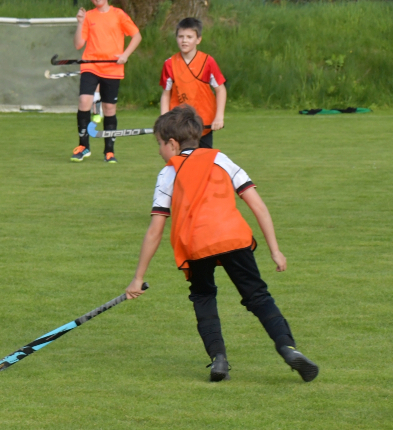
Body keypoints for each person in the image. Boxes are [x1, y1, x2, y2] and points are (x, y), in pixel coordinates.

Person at [124, 105, 318, 383]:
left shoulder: (168, 173)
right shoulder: (221, 159)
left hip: (196, 244)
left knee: (203, 296)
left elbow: (155, 230)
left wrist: (138, 277)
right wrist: (275, 250)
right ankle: (287, 347)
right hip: (234, 237)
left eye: (159, 144)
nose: (159, 151)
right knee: (258, 296)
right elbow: (258, 206)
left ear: (172, 144)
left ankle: (219, 359)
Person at [71, 0, 141, 164]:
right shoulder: (88, 16)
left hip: (112, 69)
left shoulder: (119, 15)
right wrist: (80, 23)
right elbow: (78, 44)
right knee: (84, 101)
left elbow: (137, 36)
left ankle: (109, 151)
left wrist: (125, 55)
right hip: (90, 66)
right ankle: (83, 146)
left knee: (109, 108)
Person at [159, 17, 226, 149]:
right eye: (181, 36)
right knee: (183, 160)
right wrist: (164, 119)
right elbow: (166, 94)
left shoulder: (208, 62)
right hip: (180, 125)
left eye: (189, 37)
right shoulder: (169, 64)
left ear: (198, 39)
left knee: (204, 160)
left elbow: (221, 90)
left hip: (204, 124)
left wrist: (219, 117)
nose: (184, 40)